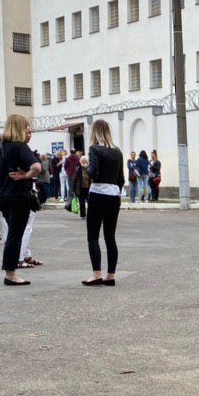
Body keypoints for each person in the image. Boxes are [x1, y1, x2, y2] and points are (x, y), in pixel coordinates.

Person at [0, 114, 41, 286]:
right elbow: (37, 167)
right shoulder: (20, 147)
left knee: (12, 231)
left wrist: (5, 172)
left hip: (2, 194)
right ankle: (10, 273)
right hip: (18, 195)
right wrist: (24, 175)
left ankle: (10, 271)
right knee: (15, 235)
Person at [83, 119, 125, 287]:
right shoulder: (117, 151)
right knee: (110, 236)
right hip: (114, 195)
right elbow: (121, 178)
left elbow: (93, 173)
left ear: (95, 132)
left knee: (93, 236)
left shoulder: (94, 149)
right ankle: (111, 275)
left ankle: (96, 274)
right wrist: (117, 192)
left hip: (98, 194)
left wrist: (85, 166)